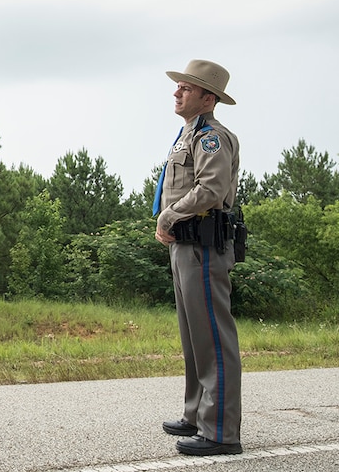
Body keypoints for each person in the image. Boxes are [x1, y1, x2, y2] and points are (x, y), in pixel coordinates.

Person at [153, 59, 243, 457]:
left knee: (213, 341)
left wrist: (169, 215)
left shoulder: (212, 137)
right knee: (193, 339)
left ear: (208, 99)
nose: (177, 92)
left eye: (186, 88)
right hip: (185, 246)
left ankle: (221, 432)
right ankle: (197, 415)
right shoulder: (187, 134)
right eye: (179, 87)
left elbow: (211, 189)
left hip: (204, 247)